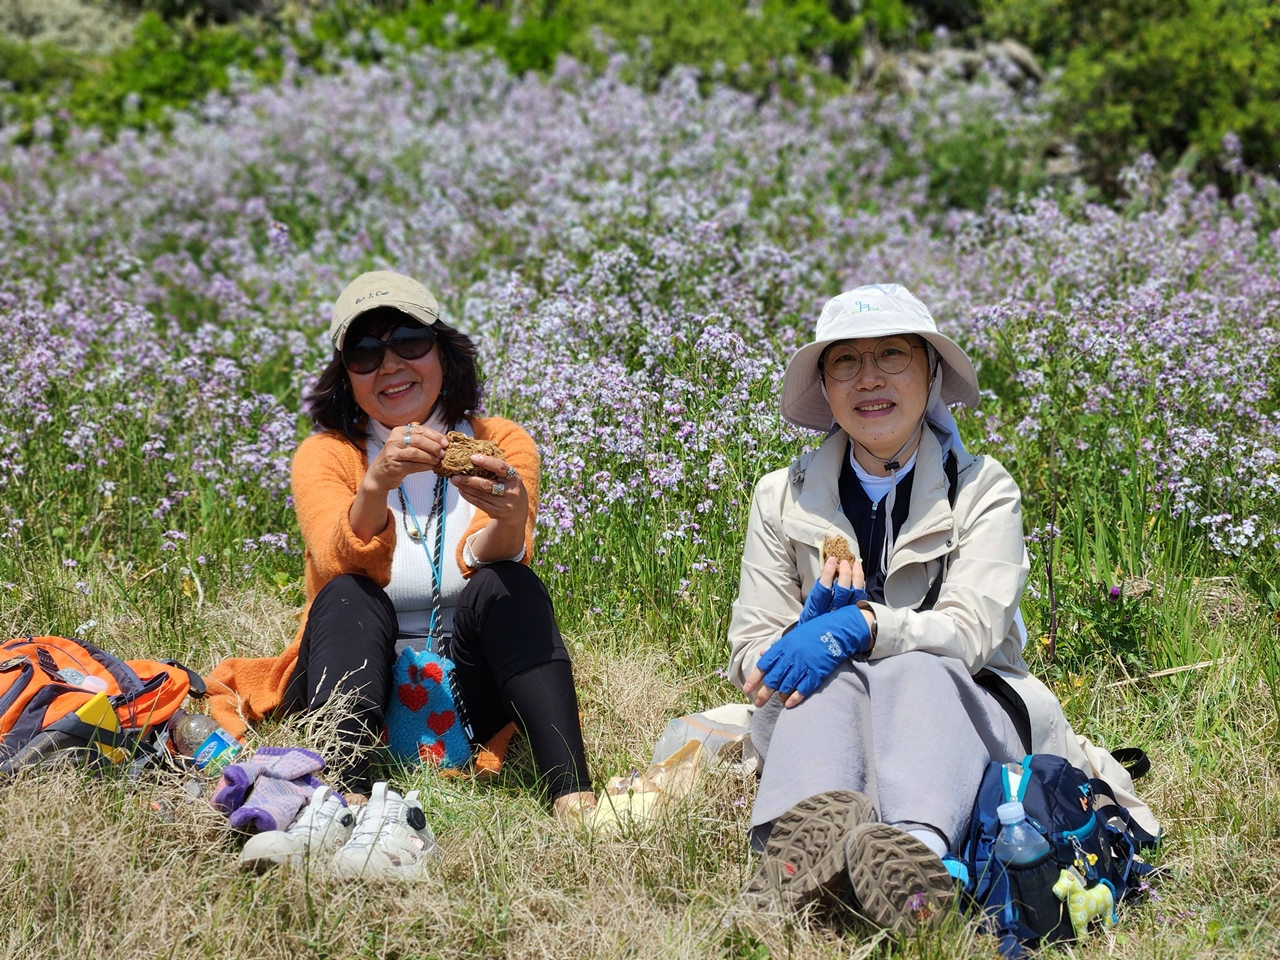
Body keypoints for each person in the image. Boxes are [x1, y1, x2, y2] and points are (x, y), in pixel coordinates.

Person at [727, 284, 1157, 931]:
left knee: (919, 665)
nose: (869, 379)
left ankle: (918, 858)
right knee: (823, 678)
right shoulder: (778, 496)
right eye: (846, 361)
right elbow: (751, 658)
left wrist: (864, 626)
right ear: (825, 386)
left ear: (930, 373)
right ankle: (796, 861)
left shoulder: (984, 488)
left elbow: (972, 633)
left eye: (892, 355)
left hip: (963, 708)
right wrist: (801, 633)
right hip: (830, 719)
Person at [208, 271, 595, 877]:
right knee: (348, 593)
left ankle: (573, 797)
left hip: (466, 687)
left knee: (511, 585)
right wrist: (375, 484)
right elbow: (335, 558)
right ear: (347, 376)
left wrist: (509, 516)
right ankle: (346, 798)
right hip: (352, 676)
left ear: (443, 352)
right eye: (365, 353)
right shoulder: (327, 454)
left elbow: (498, 559)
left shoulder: (500, 441)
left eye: (409, 342)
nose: (390, 365)